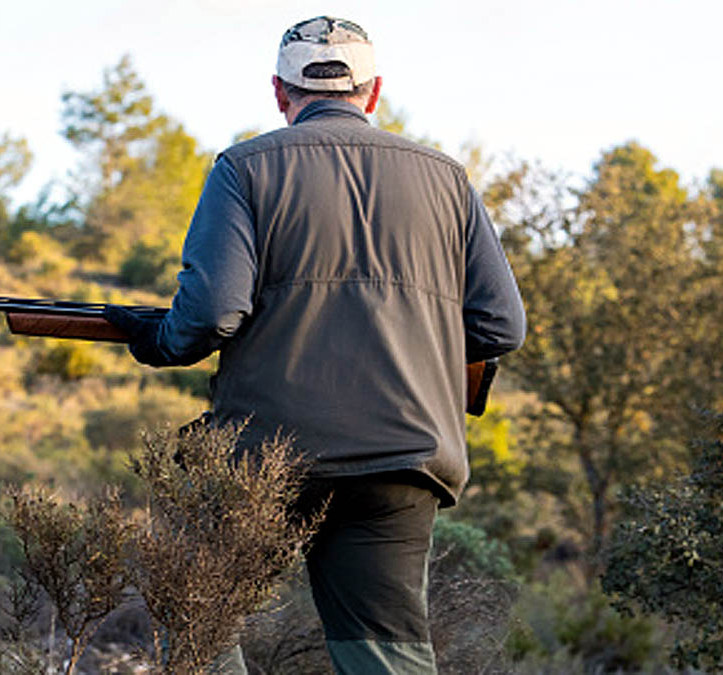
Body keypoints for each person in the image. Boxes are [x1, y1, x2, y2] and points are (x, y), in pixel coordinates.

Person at [106, 15, 526, 675]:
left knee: (198, 619)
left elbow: (211, 314)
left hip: (267, 456)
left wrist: (151, 337)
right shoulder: (448, 179)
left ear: (279, 91)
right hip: (404, 460)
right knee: (388, 657)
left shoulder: (244, 169)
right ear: (374, 90)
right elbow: (502, 327)